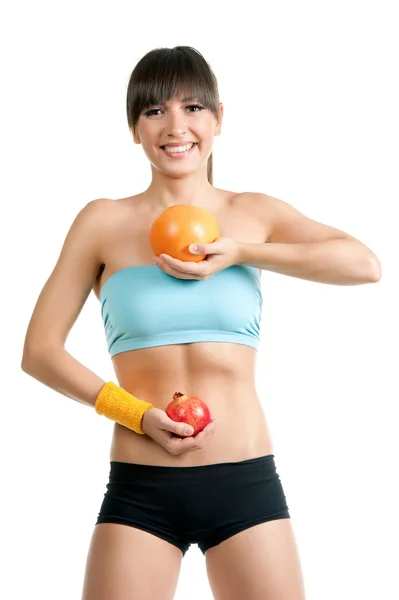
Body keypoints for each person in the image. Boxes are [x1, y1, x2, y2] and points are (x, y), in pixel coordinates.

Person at [21, 46, 382, 600]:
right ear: (134, 129)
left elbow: (364, 264)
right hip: (141, 486)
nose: (176, 126)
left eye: (192, 107)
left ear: (218, 119)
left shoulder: (252, 213)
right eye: (154, 112)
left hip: (245, 482)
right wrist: (137, 415)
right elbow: (39, 351)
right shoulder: (102, 221)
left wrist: (241, 252)